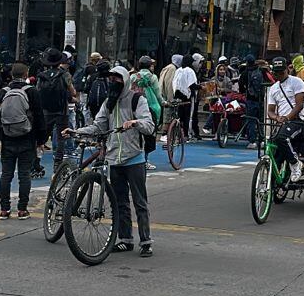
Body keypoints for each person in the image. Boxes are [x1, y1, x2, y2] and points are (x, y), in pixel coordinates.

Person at [69, 65, 156, 257]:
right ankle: (125, 239)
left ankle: (146, 241)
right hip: (114, 160)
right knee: (120, 202)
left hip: (134, 158)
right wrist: (76, 131)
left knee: (140, 202)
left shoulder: (137, 100)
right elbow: (98, 126)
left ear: (125, 80)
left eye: (117, 79)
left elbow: (149, 126)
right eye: (111, 79)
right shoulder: (108, 103)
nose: (113, 82)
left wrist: (135, 123)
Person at [0, 70, 46, 219]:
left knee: (6, 175)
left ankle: (4, 209)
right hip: (27, 138)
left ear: (11, 74)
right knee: (24, 175)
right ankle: (22, 209)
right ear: (26, 74)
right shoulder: (32, 92)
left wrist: (0, 136)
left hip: (7, 138)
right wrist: (41, 140)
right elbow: (39, 117)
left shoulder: (2, 93)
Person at [264, 56, 304, 182]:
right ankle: (274, 185)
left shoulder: (297, 82)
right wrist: (277, 118)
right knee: (274, 151)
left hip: (297, 121)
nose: (279, 75)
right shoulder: (273, 88)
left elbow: (299, 105)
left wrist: (287, 117)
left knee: (281, 138)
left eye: (281, 72)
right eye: (276, 73)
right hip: (282, 123)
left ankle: (295, 163)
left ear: (287, 70)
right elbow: (270, 111)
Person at [35, 48, 78, 169]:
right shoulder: (64, 74)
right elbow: (72, 92)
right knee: (61, 137)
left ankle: (36, 161)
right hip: (61, 111)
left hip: (45, 110)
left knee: (42, 137)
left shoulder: (42, 76)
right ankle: (58, 163)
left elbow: (38, 92)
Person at [172, 53, 198, 136]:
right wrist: (201, 87)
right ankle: (187, 134)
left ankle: (177, 133)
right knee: (188, 116)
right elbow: (192, 85)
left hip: (178, 95)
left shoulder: (178, 70)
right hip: (187, 97)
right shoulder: (190, 71)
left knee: (179, 115)